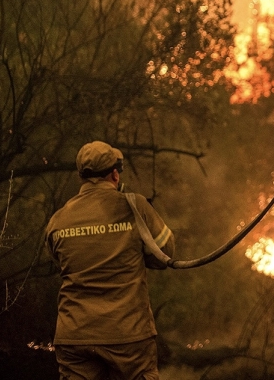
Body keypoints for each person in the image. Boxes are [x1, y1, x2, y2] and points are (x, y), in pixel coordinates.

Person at [46, 141, 175, 380]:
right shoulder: (135, 206)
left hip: (75, 335)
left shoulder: (58, 220)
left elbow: (61, 264)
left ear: (81, 177)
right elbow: (165, 254)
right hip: (128, 336)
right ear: (115, 174)